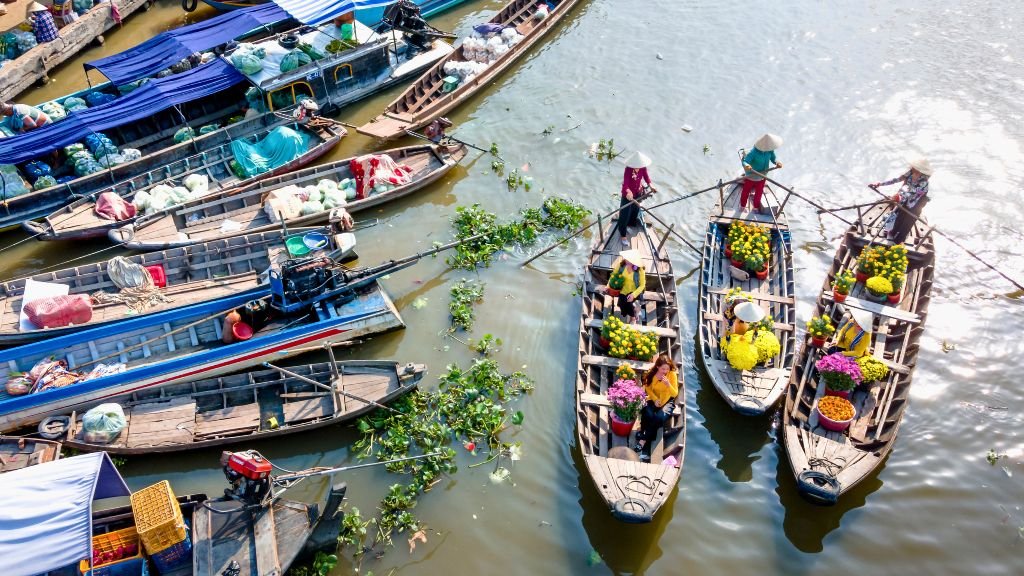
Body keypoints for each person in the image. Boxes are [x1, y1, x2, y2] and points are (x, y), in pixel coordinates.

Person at [870, 155, 932, 244]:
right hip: (905, 198)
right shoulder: (909, 173)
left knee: (907, 221)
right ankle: (892, 232)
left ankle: (899, 241)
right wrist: (880, 184)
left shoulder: (924, 182)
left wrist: (899, 196)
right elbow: (896, 180)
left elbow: (913, 191)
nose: (912, 167)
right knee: (899, 216)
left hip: (916, 202)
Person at [633, 354, 679, 462]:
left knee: (659, 418)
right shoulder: (651, 373)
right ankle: (646, 433)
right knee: (647, 413)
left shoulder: (672, 375)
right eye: (663, 369)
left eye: (667, 369)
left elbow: (674, 394)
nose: (665, 371)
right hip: (655, 399)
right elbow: (648, 388)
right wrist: (654, 399)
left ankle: (643, 440)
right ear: (658, 367)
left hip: (667, 401)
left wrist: (668, 384)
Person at [618, 151, 657, 245]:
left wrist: (651, 185)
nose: (638, 167)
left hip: (638, 193)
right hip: (628, 195)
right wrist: (628, 192)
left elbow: (646, 178)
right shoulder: (628, 170)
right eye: (636, 166)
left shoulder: (643, 168)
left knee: (634, 211)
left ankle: (629, 225)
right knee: (625, 214)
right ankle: (623, 235)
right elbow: (625, 184)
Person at [741, 133, 783, 213]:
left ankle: (756, 207)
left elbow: (773, 159)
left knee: (759, 193)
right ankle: (742, 206)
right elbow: (745, 161)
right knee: (746, 191)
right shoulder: (753, 152)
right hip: (752, 176)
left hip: (763, 176)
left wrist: (777, 163)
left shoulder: (770, 151)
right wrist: (747, 165)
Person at [608, 249, 646, 324]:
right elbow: (613, 275)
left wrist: (633, 295)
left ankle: (633, 317)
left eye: (630, 260)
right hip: (623, 289)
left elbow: (642, 285)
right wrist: (608, 285)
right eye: (627, 259)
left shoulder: (640, 270)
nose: (627, 261)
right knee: (621, 305)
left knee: (628, 303)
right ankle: (635, 309)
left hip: (635, 291)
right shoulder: (621, 265)